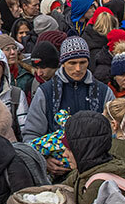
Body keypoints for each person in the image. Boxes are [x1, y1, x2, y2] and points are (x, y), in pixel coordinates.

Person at [22, 37, 114, 168]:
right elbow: (31, 134)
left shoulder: (104, 92)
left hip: (96, 166)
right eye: (72, 63)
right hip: (56, 167)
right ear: (63, 63)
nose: (78, 68)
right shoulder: (45, 92)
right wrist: (44, 160)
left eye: (83, 62)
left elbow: (113, 132)